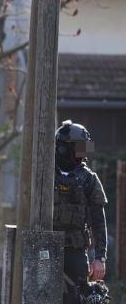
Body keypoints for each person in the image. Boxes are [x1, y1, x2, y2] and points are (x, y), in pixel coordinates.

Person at [54, 120, 107, 286]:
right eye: (80, 148)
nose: (83, 154)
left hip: (75, 250)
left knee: (79, 300)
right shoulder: (44, 173)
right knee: (42, 297)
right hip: (46, 248)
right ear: (64, 148)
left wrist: (100, 258)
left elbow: (99, 222)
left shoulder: (89, 179)